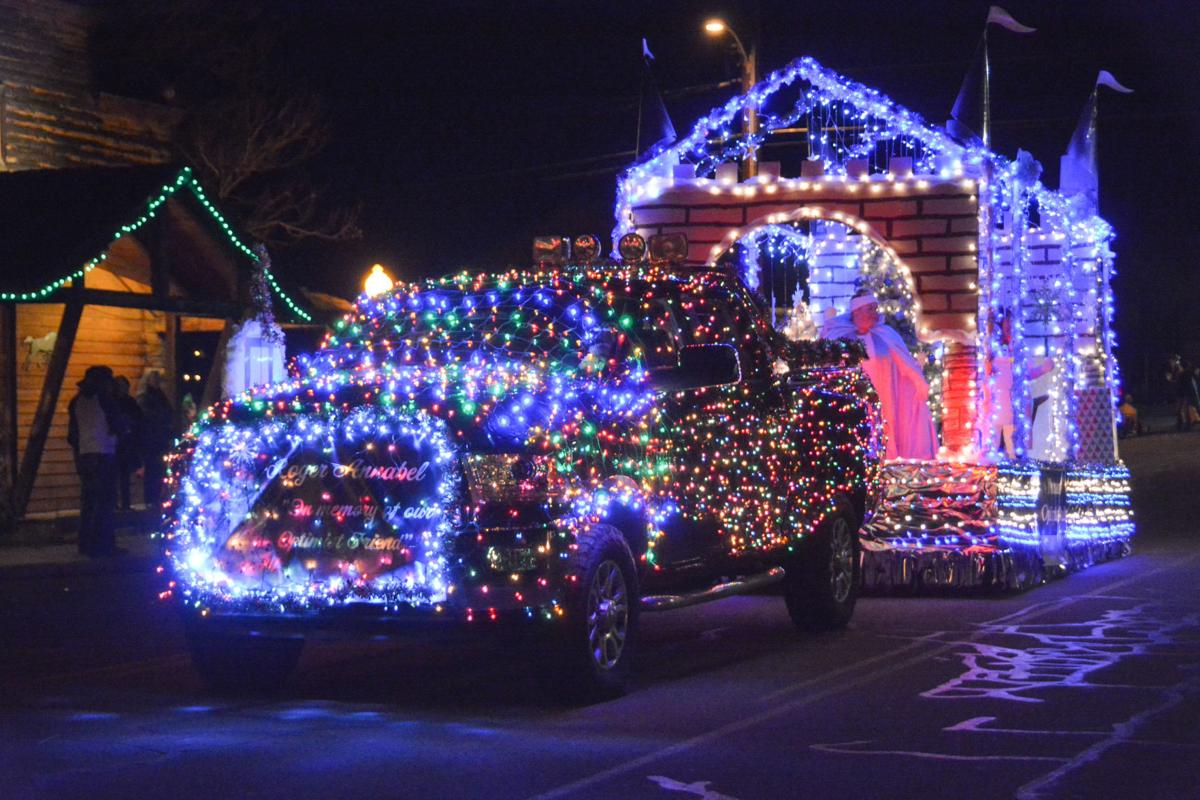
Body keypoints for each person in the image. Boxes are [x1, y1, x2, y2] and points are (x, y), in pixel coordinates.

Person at [821, 294, 938, 460]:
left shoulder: (886, 334)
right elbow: (828, 367)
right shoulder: (840, 337)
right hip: (854, 398)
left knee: (884, 429)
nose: (875, 313)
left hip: (885, 397)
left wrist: (919, 383)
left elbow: (905, 362)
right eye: (870, 309)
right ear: (857, 312)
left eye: (875, 308)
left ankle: (886, 457)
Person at [67, 366, 121, 556]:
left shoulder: (76, 402)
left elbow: (72, 435)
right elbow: (118, 425)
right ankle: (104, 545)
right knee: (105, 502)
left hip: (85, 455)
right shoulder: (105, 401)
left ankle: (86, 543)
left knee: (89, 501)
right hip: (103, 453)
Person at [138, 371, 174, 510]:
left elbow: (168, 412)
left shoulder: (161, 396)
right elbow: (145, 416)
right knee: (151, 470)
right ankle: (150, 499)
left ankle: (158, 497)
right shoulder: (145, 398)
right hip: (149, 439)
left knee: (160, 470)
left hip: (161, 439)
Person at [112, 376, 142, 510]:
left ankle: (126, 504)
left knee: (125, 476)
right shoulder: (111, 402)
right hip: (113, 444)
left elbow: (139, 419)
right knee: (113, 476)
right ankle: (113, 504)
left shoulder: (130, 402)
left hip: (127, 444)